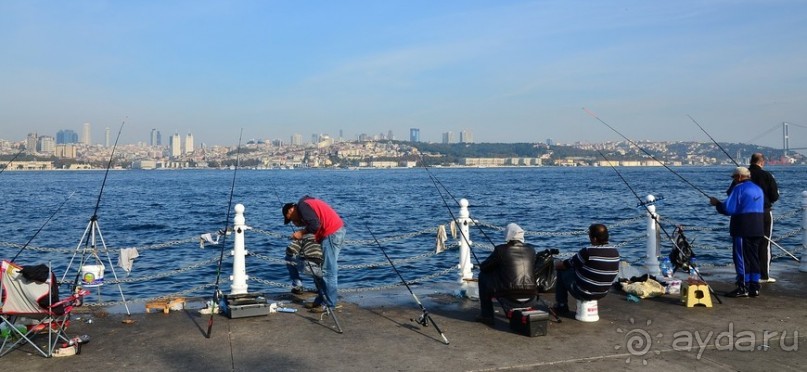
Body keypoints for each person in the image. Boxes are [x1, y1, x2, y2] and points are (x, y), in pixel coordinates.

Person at [282, 196, 346, 313]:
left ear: (291, 210)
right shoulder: (307, 203)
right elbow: (316, 222)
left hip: (332, 233)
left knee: (328, 271)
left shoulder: (302, 206)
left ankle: (329, 304)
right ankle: (321, 300)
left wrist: (301, 232)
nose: (294, 223)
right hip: (333, 232)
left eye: (291, 219)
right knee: (321, 269)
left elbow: (315, 225)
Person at [710, 166, 765, 297]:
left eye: (734, 177)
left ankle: (743, 287)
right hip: (758, 226)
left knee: (741, 257)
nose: (733, 180)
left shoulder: (739, 188)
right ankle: (754, 286)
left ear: (739, 177)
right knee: (753, 257)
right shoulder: (758, 189)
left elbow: (728, 209)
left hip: (743, 227)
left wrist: (717, 204)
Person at [476, 223, 537, 326]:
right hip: (532, 296)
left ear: (508, 234)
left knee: (483, 276)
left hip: (509, 296)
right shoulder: (531, 250)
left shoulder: (501, 250)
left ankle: (487, 316)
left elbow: (484, 267)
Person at [552, 224, 619, 315]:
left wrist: (555, 265)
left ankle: (561, 305)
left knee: (562, 271)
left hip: (584, 292)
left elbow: (566, 264)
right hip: (603, 292)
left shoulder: (588, 251)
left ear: (594, 239)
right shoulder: (615, 251)